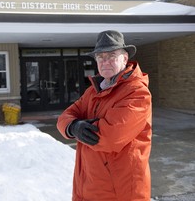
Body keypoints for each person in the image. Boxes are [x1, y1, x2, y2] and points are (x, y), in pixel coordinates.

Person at [57, 30, 152, 201]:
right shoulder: (93, 91)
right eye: (100, 57)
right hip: (87, 186)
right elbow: (65, 116)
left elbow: (109, 137)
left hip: (118, 192)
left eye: (112, 55)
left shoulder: (137, 93)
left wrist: (80, 126)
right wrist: (73, 127)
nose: (105, 61)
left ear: (124, 58)